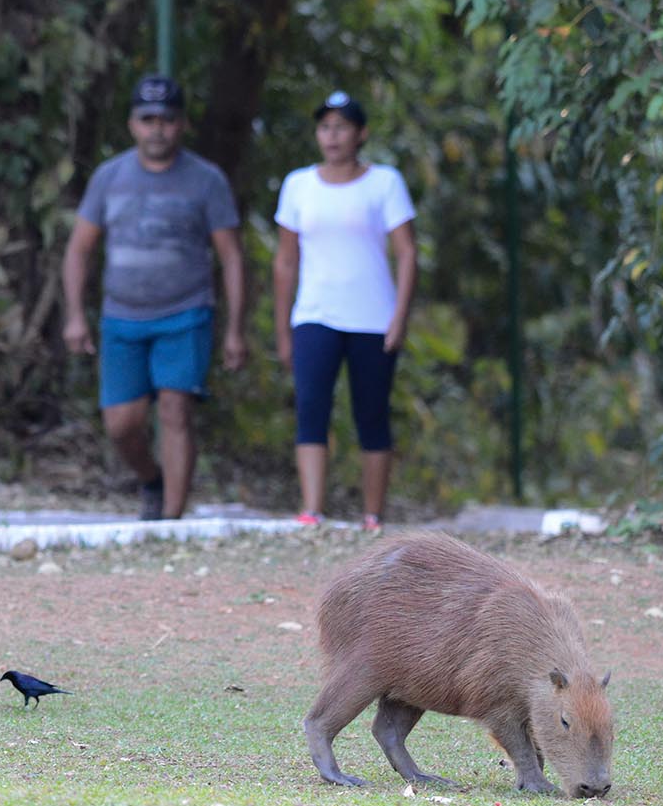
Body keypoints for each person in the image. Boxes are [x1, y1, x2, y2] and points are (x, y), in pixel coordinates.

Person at [62, 74, 247, 521]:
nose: (157, 128)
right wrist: (74, 316)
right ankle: (151, 478)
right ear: (132, 125)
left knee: (175, 409)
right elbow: (79, 248)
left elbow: (231, 256)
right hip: (122, 317)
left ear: (181, 124)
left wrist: (236, 330)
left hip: (185, 312)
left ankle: (170, 520)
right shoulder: (110, 177)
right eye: (148, 119)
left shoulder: (206, 180)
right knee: (121, 424)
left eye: (166, 119)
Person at [273, 91, 418, 530]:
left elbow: (407, 253)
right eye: (325, 127)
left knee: (371, 412)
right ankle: (312, 509)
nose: (332, 136)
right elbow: (285, 260)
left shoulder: (385, 183)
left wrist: (400, 316)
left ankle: (373, 514)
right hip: (315, 313)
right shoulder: (299, 185)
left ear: (361, 134)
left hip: (372, 317)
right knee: (311, 407)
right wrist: (283, 328)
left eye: (341, 127)